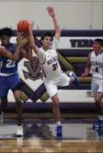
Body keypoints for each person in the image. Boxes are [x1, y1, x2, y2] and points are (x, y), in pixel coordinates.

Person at [28, 6, 79, 136]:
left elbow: (57, 30)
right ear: (42, 41)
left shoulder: (53, 48)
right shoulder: (41, 54)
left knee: (74, 83)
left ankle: (71, 77)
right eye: (46, 39)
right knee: (56, 102)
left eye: (50, 40)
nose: (49, 41)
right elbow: (32, 44)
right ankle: (58, 124)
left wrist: (53, 16)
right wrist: (29, 28)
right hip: (49, 82)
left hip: (60, 76)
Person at [0, 27, 30, 137]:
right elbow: (14, 57)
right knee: (5, 105)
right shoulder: (0, 49)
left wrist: (25, 43)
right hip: (3, 79)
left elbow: (25, 55)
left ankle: (19, 126)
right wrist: (20, 45)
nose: (3, 40)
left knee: (18, 100)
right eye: (1, 38)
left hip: (14, 77)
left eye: (5, 38)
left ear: (9, 37)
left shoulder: (15, 46)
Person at [82, 38, 103, 130]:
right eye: (94, 43)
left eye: (97, 44)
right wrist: (86, 73)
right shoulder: (90, 54)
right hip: (95, 79)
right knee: (96, 101)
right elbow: (87, 66)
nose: (94, 45)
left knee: (98, 99)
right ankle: (100, 119)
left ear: (101, 46)